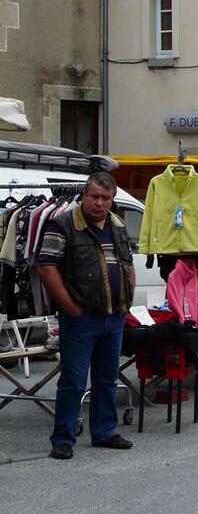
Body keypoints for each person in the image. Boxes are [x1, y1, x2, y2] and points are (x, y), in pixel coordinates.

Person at [35, 173, 136, 460]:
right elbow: (46, 267)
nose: (100, 203)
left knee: (107, 379)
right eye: (95, 197)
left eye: (106, 198)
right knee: (74, 381)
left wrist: (126, 300)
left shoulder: (117, 225)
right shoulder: (62, 223)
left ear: (112, 199)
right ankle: (63, 438)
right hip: (81, 318)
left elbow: (127, 264)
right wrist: (71, 308)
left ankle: (104, 432)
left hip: (113, 316)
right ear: (84, 195)